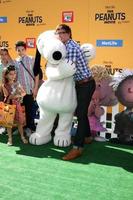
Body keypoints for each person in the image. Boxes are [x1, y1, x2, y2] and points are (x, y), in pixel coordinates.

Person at [55, 24, 96, 160]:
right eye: (58, 33)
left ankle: (77, 148)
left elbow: (68, 69)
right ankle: (88, 137)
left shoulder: (71, 47)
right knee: (80, 112)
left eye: (62, 33)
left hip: (85, 84)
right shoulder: (65, 46)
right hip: (80, 84)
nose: (59, 35)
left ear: (69, 33)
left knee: (80, 113)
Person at [14, 41, 39, 136]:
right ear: (16, 50)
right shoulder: (15, 62)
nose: (20, 52)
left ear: (26, 49)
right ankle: (20, 128)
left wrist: (36, 88)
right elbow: (15, 77)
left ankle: (30, 128)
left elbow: (36, 75)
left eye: (22, 50)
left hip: (30, 90)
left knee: (30, 110)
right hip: (20, 91)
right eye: (18, 50)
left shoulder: (32, 59)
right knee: (20, 111)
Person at [2, 65, 28, 145]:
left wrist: (19, 94)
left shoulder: (17, 83)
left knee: (20, 122)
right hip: (8, 105)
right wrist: (16, 93)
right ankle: (10, 138)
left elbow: (24, 93)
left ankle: (22, 136)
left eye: (14, 74)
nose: (13, 76)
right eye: (11, 74)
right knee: (8, 123)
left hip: (17, 105)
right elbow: (7, 96)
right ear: (6, 75)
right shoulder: (4, 85)